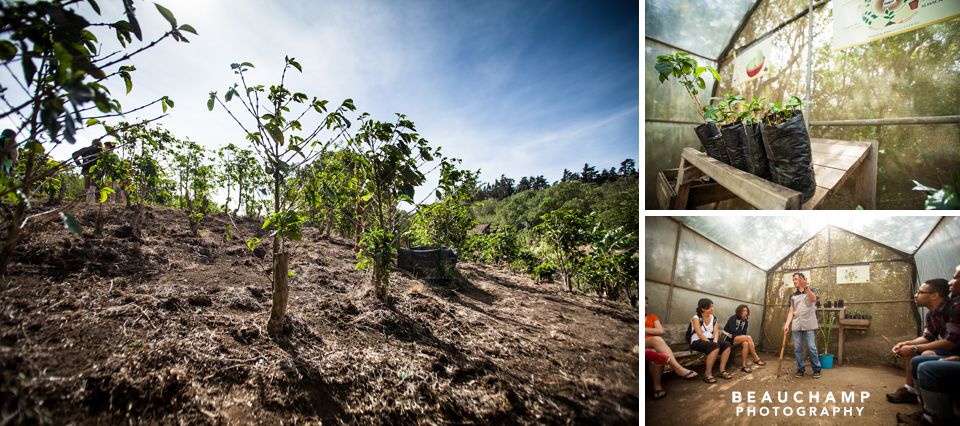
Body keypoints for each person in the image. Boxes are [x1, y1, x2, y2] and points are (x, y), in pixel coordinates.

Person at [887, 278, 960, 404]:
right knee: (912, 351)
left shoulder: (954, 308)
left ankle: (932, 407)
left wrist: (915, 348)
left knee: (925, 354)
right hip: (951, 350)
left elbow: (951, 342)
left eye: (920, 292)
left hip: (955, 351)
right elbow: (927, 337)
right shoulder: (931, 314)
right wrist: (906, 344)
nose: (916, 295)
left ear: (934, 296)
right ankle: (910, 391)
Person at [645, 298, 698, 399]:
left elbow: (660, 331)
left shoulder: (652, 317)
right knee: (657, 340)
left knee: (656, 353)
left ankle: (657, 387)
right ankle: (678, 369)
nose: (645, 305)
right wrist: (651, 331)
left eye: (646, 303)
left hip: (652, 345)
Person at [783, 272, 821, 379]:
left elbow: (813, 299)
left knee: (812, 347)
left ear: (803, 279)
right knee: (797, 349)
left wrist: (806, 288)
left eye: (796, 279)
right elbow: (791, 312)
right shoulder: (792, 296)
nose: (794, 281)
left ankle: (817, 369)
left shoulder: (813, 290)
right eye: (793, 279)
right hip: (796, 324)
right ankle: (800, 369)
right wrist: (787, 324)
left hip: (809, 324)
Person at [690, 298, 733, 383]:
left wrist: (715, 342)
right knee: (714, 346)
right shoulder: (696, 318)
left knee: (727, 345)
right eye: (710, 307)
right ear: (703, 309)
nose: (712, 308)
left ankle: (722, 371)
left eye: (712, 306)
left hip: (710, 340)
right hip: (697, 341)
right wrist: (712, 344)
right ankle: (707, 374)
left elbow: (716, 332)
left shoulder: (714, 318)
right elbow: (699, 334)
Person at [724, 304, 766, 373]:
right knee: (748, 337)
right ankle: (755, 357)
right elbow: (732, 332)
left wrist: (742, 337)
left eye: (746, 310)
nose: (745, 312)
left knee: (746, 343)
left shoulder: (745, 321)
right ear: (739, 311)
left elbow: (744, 332)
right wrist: (742, 336)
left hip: (738, 339)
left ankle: (744, 366)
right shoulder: (733, 318)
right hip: (729, 338)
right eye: (744, 310)